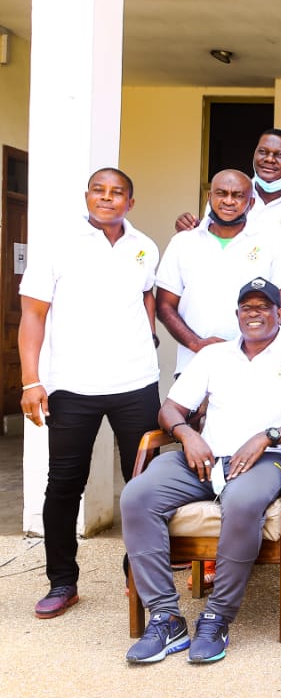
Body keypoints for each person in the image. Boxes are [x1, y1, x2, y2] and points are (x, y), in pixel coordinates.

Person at [120, 278, 281, 664]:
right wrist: (186, 434)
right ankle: (166, 617)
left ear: (280, 313)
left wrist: (268, 436)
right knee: (137, 495)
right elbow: (169, 409)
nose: (255, 314)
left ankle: (217, 616)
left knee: (242, 501)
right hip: (204, 458)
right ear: (237, 315)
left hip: (269, 458)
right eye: (247, 308)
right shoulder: (213, 355)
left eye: (264, 307)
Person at [18, 168, 162, 619]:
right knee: (63, 485)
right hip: (73, 384)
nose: (107, 198)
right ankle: (62, 581)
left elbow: (146, 299)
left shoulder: (144, 246)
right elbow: (32, 316)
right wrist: (30, 380)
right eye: (99, 191)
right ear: (87, 197)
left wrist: (149, 339)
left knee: (144, 483)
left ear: (129, 203)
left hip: (136, 382)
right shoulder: (59, 244)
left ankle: (136, 573)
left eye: (117, 192)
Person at [156, 169, 281, 375]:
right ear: (210, 197)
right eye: (222, 193)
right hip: (194, 364)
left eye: (238, 196)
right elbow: (165, 306)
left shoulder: (271, 243)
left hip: (254, 366)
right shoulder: (183, 242)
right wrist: (197, 345)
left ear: (251, 203)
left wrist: (246, 348)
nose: (229, 201)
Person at [175, 129, 281, 269]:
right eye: (263, 152)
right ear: (254, 155)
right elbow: (205, 245)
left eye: (280, 155)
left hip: (275, 293)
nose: (269, 159)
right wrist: (191, 229)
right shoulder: (225, 200)